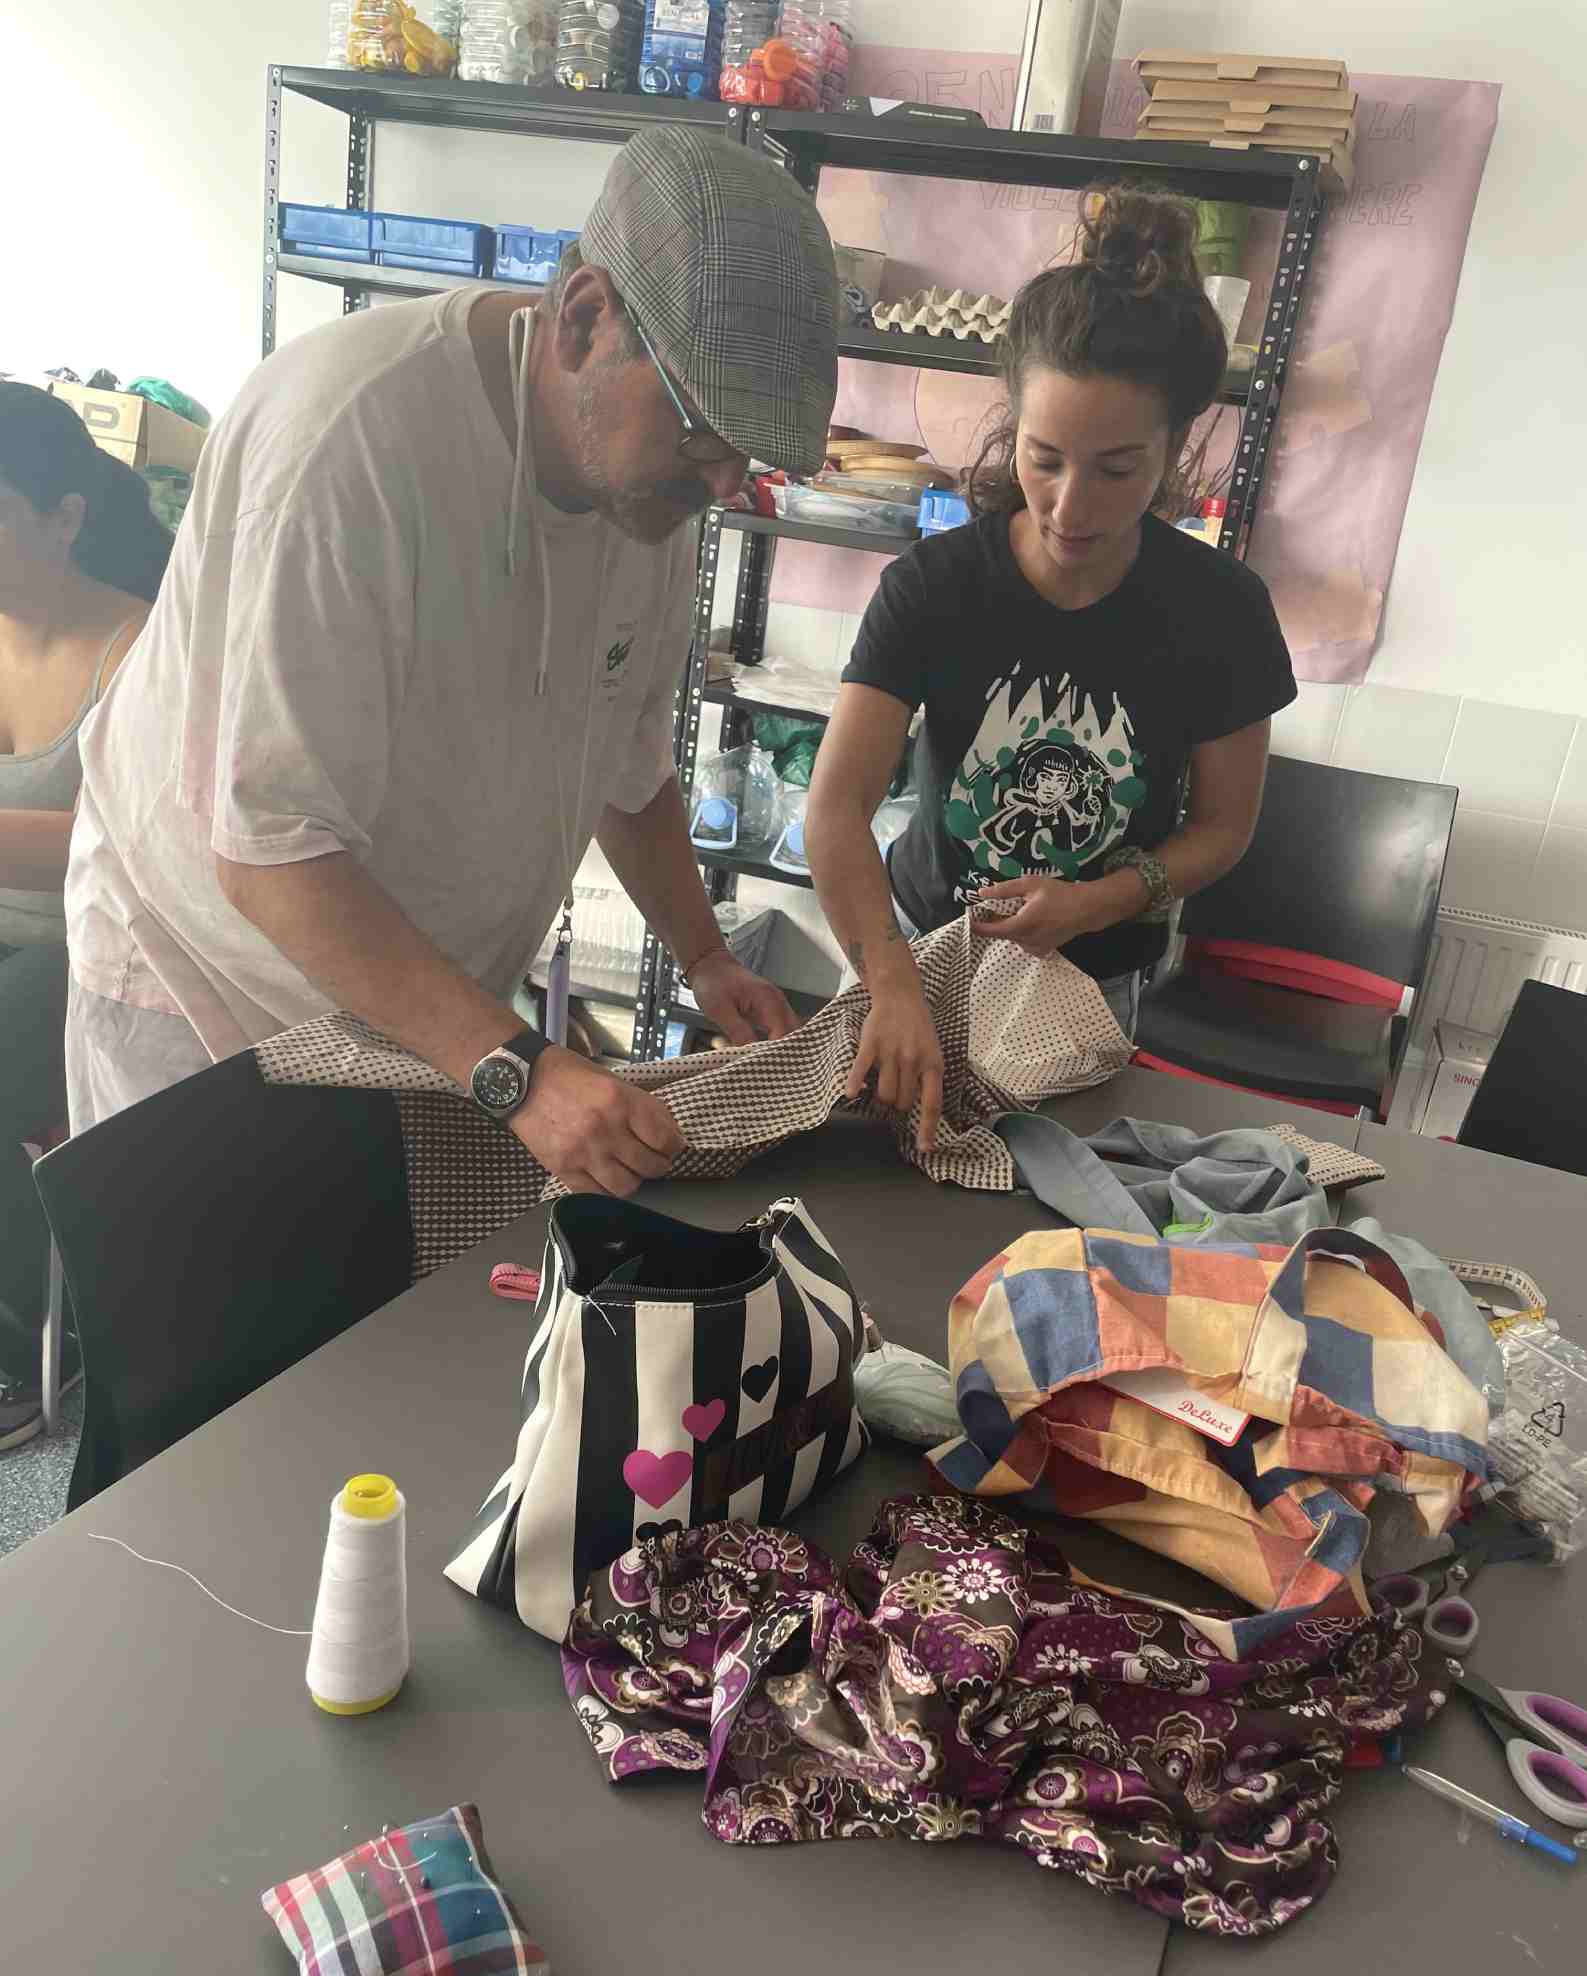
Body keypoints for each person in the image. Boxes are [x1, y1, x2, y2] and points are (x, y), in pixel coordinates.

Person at [65, 126, 838, 1198]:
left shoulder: (645, 497)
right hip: (206, 992)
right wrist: (519, 1070)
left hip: (415, 1010)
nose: (721, 482)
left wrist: (704, 958)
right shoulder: (351, 447)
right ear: (582, 320)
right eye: (705, 433)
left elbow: (628, 757)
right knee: (232, 1360)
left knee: (395, 1352)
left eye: (743, 457)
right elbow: (268, 849)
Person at [806, 187, 1296, 1151]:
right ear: (1013, 427)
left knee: (1042, 1225)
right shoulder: (934, 587)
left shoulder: (1221, 612)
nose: (1071, 506)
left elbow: (1223, 827)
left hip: (1093, 984)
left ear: (1176, 446)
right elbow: (832, 813)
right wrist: (889, 982)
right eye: (1045, 459)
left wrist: (1098, 901)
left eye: (1117, 470)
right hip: (915, 957)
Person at [0, 382, 172, 1447]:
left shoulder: (138, 648)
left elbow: (118, 840)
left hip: (94, 941)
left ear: (63, 518)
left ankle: (18, 1352)